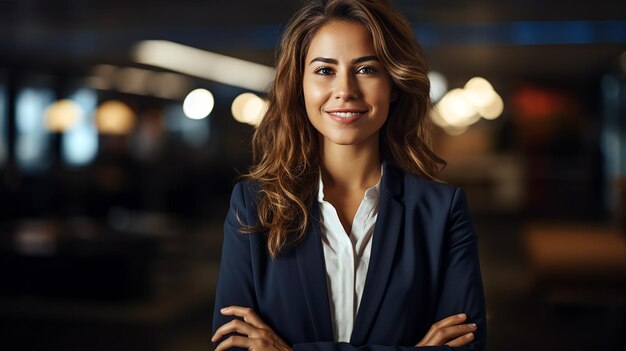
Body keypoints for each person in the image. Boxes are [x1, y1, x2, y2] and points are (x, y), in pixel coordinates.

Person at [211, 0, 486, 350]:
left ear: (394, 84)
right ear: (299, 85)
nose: (345, 90)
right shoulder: (252, 206)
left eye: (366, 69)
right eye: (325, 70)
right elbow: (231, 345)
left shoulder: (442, 211)